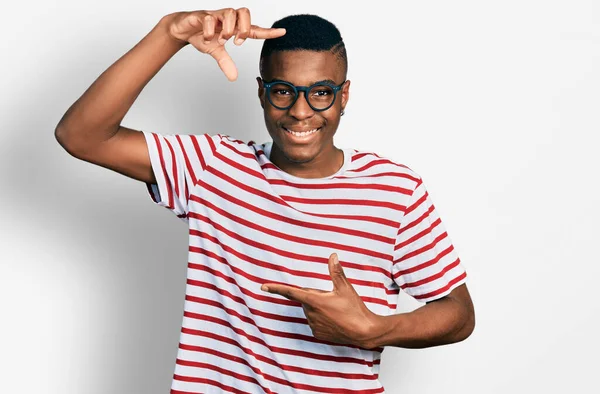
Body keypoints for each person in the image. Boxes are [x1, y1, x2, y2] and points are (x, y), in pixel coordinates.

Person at [55, 7, 475, 394]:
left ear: (344, 96)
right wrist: (170, 33)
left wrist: (373, 329)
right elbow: (81, 135)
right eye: (283, 91)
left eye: (321, 92)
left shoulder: (394, 189)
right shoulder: (213, 167)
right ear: (261, 93)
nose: (300, 111)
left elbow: (458, 313)